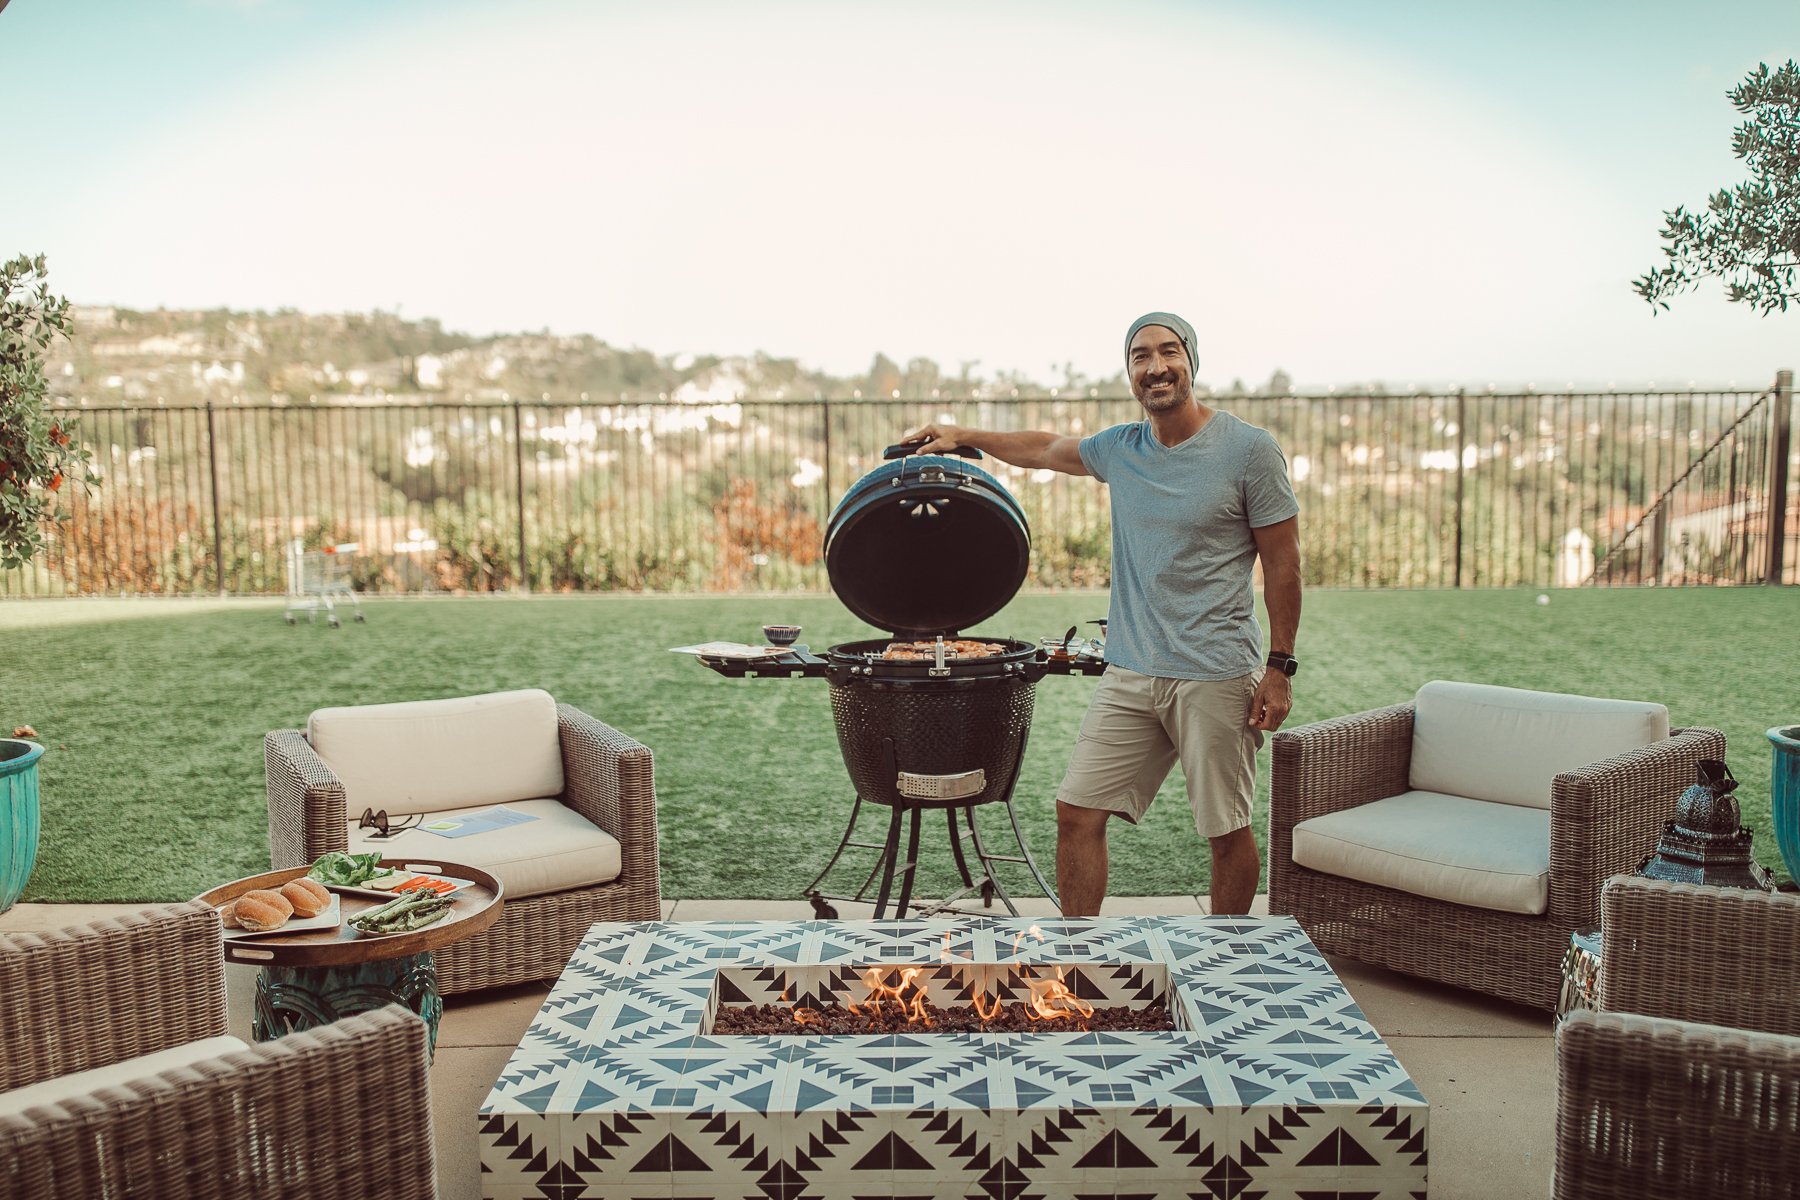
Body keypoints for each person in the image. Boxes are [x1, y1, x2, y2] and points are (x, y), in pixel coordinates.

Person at [902, 310, 1302, 916]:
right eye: (1140, 357)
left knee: (1225, 830)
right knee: (1077, 812)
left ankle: (1228, 954)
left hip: (1216, 672)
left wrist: (1279, 667)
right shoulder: (1122, 449)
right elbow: (1044, 448)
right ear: (1131, 374)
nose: (1155, 367)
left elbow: (1284, 564)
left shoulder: (1249, 451)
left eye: (1168, 352)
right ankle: (1077, 962)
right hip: (1133, 672)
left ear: (1191, 361)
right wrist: (965, 435)